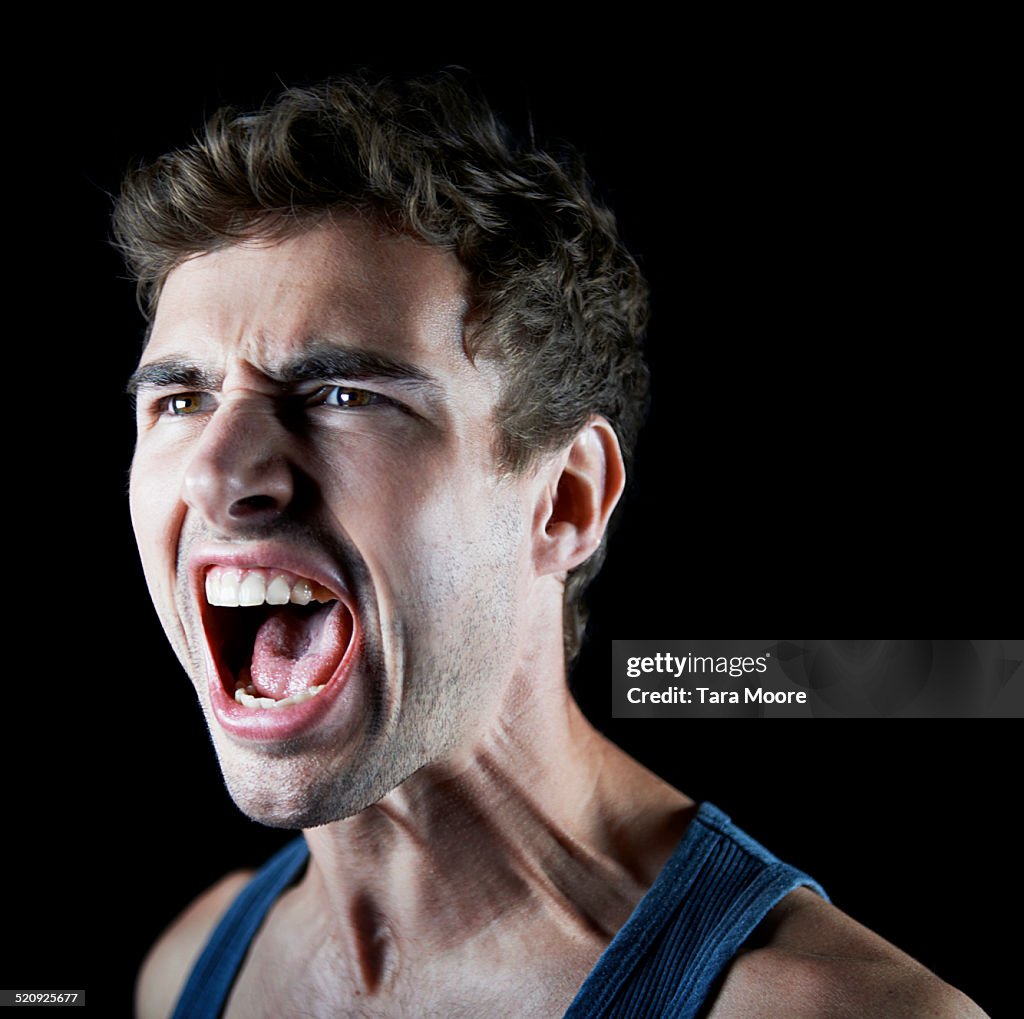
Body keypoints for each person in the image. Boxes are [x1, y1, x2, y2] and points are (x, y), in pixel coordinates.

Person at [119, 73, 985, 1018]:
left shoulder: (826, 1011)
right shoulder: (188, 971)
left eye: (344, 395)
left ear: (566, 497)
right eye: (180, 399)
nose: (216, 471)